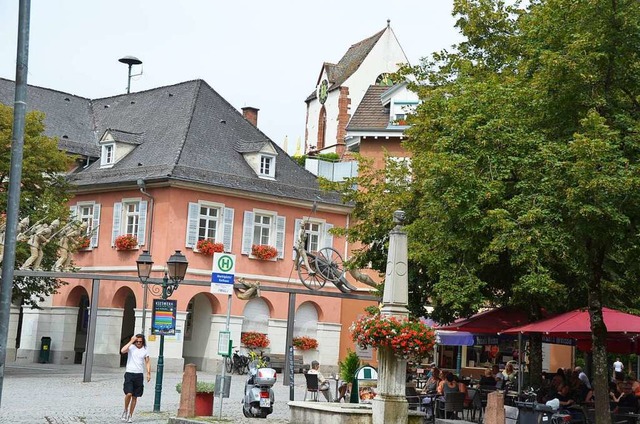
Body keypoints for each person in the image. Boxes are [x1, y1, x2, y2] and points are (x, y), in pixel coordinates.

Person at [120, 334, 151, 423]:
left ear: (143, 342)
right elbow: (122, 351)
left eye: (140, 342)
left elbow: (148, 362)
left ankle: (130, 415)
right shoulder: (131, 347)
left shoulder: (145, 350)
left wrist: (148, 373)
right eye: (137, 341)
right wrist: (131, 341)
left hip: (139, 374)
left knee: (135, 396)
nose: (138, 343)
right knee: (128, 393)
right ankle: (125, 410)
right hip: (129, 373)